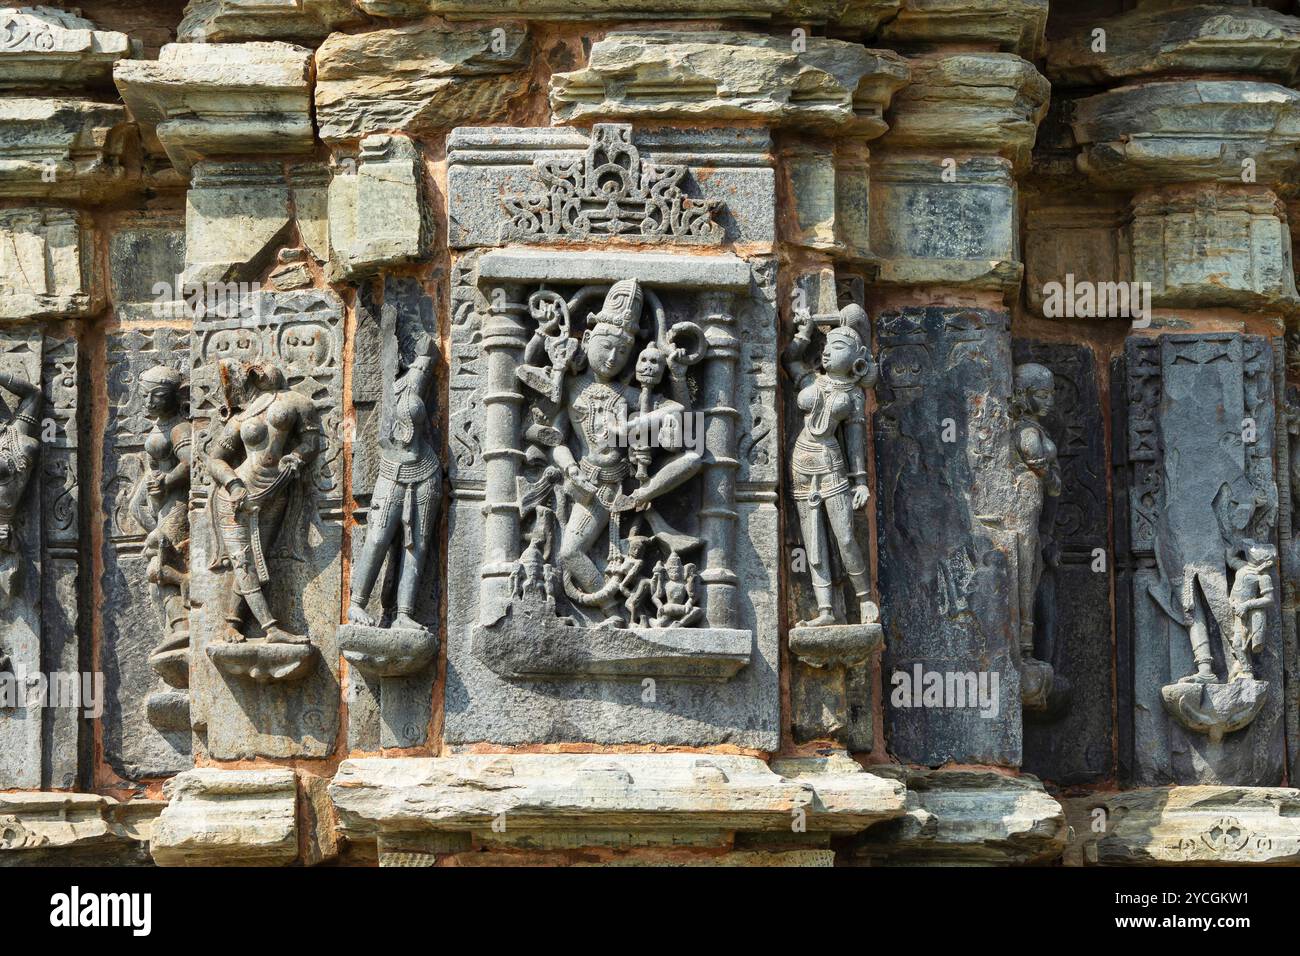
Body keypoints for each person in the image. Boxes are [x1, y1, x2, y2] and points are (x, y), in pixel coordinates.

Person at [207, 361, 320, 644]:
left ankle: (232, 623)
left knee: (254, 561)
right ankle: (270, 629)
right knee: (243, 561)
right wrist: (233, 485)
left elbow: (310, 442)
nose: (260, 371)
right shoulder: (241, 417)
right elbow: (215, 459)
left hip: (275, 490)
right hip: (235, 496)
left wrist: (296, 457)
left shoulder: (297, 402)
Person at [783, 304, 877, 627]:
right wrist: (805, 333)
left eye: (836, 348)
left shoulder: (852, 397)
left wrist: (861, 481)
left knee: (845, 536)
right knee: (813, 541)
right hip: (801, 461)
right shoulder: (812, 379)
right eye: (825, 348)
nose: (825, 353)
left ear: (856, 359)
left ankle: (864, 599)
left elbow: (855, 441)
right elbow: (789, 360)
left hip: (832, 462)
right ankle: (825, 610)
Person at [347, 337, 441, 630]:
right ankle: (356, 604)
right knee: (377, 538)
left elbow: (427, 359)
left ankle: (404, 613)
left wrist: (424, 353)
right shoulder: (396, 391)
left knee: (418, 544)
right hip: (391, 472)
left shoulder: (414, 385)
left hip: (426, 471)